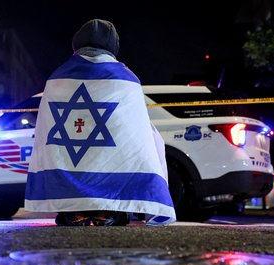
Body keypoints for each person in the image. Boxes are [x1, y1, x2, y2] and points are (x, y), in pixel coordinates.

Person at [24, 19, 176, 227]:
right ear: (113, 47)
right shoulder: (127, 80)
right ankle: (106, 210)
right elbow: (134, 135)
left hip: (70, 183)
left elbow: (45, 132)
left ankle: (75, 211)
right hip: (112, 190)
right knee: (152, 138)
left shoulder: (57, 78)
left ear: (76, 45)